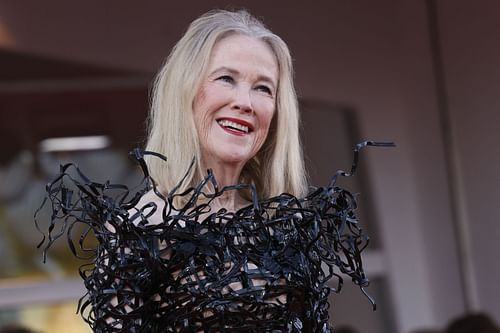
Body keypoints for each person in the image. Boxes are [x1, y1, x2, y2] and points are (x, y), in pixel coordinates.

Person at [38, 9, 376, 333]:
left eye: (263, 88)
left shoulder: (290, 232)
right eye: (226, 79)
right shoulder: (142, 232)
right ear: (184, 92)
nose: (245, 101)